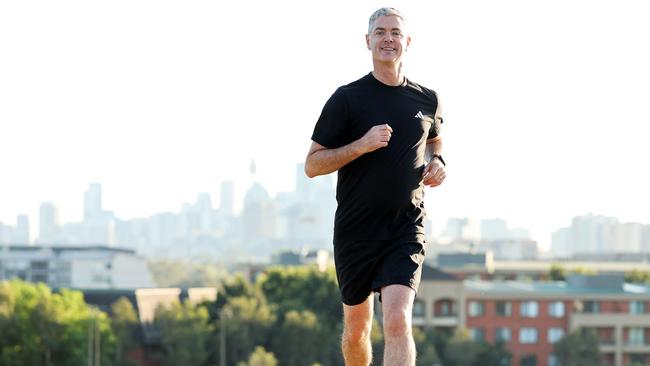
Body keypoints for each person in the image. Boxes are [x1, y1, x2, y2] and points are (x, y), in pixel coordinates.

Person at [304, 7, 446, 366]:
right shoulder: (347, 99)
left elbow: (435, 139)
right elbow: (312, 164)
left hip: (405, 225)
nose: (388, 38)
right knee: (356, 331)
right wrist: (360, 145)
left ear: (407, 42)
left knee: (398, 319)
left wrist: (438, 161)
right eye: (380, 32)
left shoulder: (427, 99)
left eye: (395, 32)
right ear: (368, 41)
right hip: (356, 230)